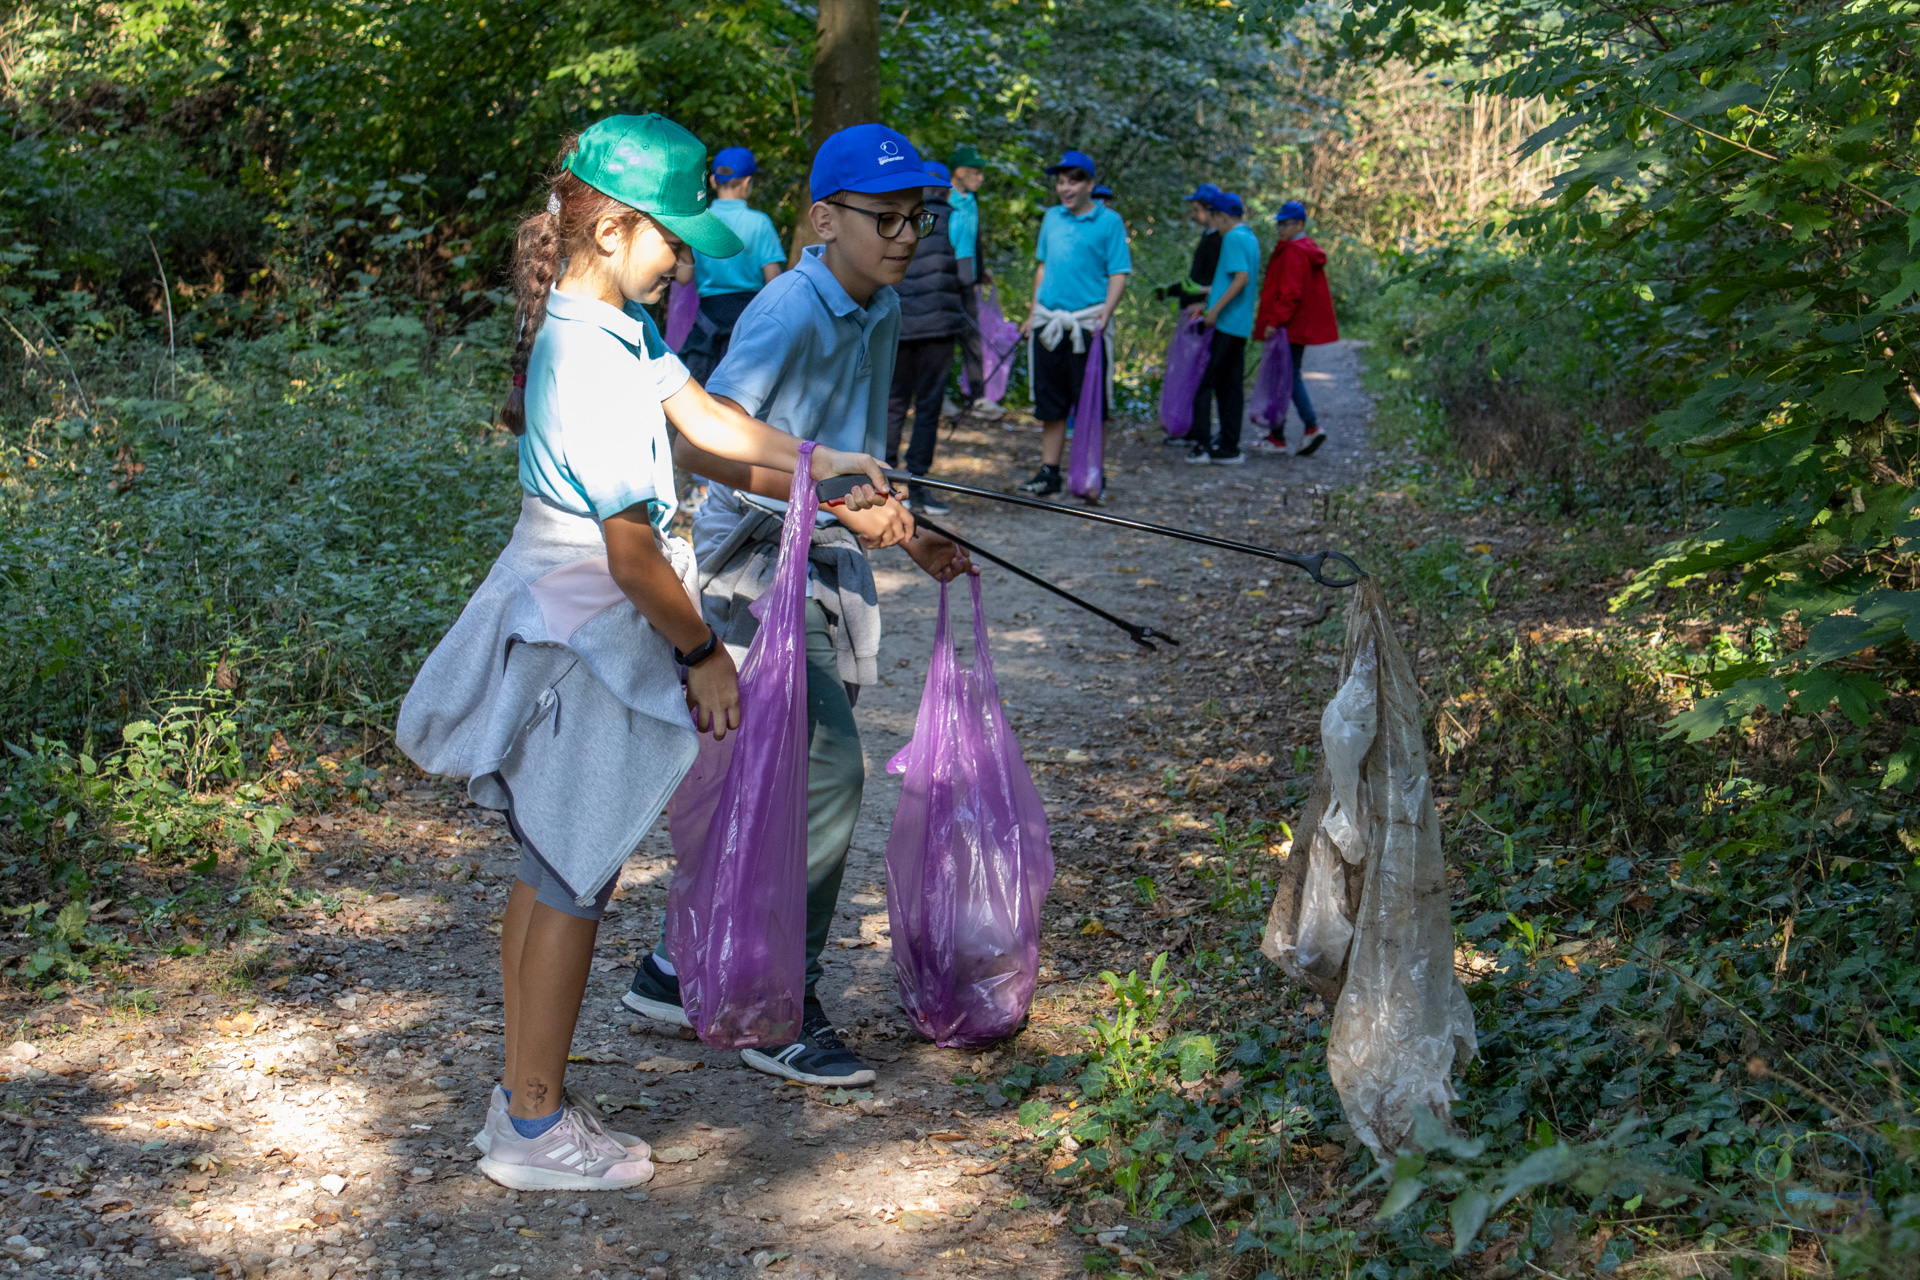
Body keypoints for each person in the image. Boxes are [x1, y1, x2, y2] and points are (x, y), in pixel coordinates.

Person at [396, 115, 888, 1192]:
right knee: (575, 876)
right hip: (591, 638)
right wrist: (706, 651)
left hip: (586, 624)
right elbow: (630, 550)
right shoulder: (587, 353)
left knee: (553, 868)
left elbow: (709, 421)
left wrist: (829, 465)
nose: (689, 258)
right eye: (675, 238)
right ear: (615, 227)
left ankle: (525, 1098)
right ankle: (531, 1125)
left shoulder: (612, 327)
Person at [623, 123, 973, 1087]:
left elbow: (852, 452)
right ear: (824, 218)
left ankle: (667, 969)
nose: (907, 235)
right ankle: (780, 1004)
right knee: (825, 775)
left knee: (766, 779)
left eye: (922, 217)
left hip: (818, 568)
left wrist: (915, 522)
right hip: (748, 577)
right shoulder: (787, 313)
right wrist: (828, 503)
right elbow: (709, 453)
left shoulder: (883, 306)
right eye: (886, 217)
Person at [1017, 149, 1131, 498]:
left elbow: (1118, 273)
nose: (1065, 188)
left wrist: (1106, 311)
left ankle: (1092, 474)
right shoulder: (1051, 218)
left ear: (1090, 185)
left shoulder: (1109, 222)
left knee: (1091, 402)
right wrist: (1032, 312)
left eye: (1074, 181)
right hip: (1049, 322)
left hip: (1087, 325)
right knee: (1051, 402)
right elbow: (1043, 267)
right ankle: (1049, 473)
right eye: (1061, 182)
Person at [886, 160, 965, 516]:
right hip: (939, 327)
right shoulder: (957, 217)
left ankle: (885, 481)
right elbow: (967, 274)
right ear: (947, 189)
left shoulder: (893, 217)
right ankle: (918, 486)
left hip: (898, 324)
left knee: (893, 402)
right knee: (929, 406)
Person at [681, 146, 787, 384]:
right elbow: (774, 280)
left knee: (704, 389)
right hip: (749, 316)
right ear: (747, 182)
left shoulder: (698, 223)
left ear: (712, 181)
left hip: (707, 319)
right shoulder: (760, 223)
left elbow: (684, 277)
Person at [1252, 199, 1338, 456]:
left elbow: (1291, 293)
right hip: (1297, 326)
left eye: (1286, 224)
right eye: (1279, 224)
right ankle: (1279, 434)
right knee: (1286, 376)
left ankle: (1307, 428)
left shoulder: (1293, 251)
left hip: (1288, 326)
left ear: (1299, 224)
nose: (1280, 229)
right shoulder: (1304, 248)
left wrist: (1274, 321)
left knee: (1288, 377)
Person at [1185, 191, 1258, 466]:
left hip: (1227, 324)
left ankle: (1202, 444)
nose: (1214, 224)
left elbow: (1241, 278)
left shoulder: (1233, 238)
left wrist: (1214, 311)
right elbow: (1233, 279)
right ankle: (1229, 445)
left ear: (1223, 216)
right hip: (1239, 326)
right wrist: (1207, 298)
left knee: (1204, 383)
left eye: (1215, 217)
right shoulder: (1250, 237)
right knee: (1230, 386)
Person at [946, 144, 1003, 421]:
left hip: (968, 275)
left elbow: (975, 239)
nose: (980, 178)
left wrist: (980, 273)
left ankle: (978, 397)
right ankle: (940, 395)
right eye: (976, 172)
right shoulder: (943, 197)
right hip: (945, 275)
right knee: (943, 334)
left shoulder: (972, 200)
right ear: (959, 172)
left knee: (972, 334)